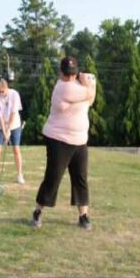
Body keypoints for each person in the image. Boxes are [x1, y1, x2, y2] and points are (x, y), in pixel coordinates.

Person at [32, 57, 96, 230]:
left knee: (80, 178)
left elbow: (90, 101)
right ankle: (38, 211)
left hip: (80, 140)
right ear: (60, 73)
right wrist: (88, 82)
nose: (69, 77)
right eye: (67, 74)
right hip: (58, 138)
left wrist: (87, 83)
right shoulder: (62, 87)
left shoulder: (78, 86)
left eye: (72, 74)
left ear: (75, 73)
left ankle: (83, 215)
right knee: (53, 178)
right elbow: (90, 94)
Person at [0, 77, 25, 184]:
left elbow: (13, 113)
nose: (1, 93)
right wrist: (4, 132)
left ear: (7, 87)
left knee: (16, 149)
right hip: (0, 126)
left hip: (15, 125)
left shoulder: (14, 95)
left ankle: (19, 175)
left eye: (2, 91)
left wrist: (8, 129)